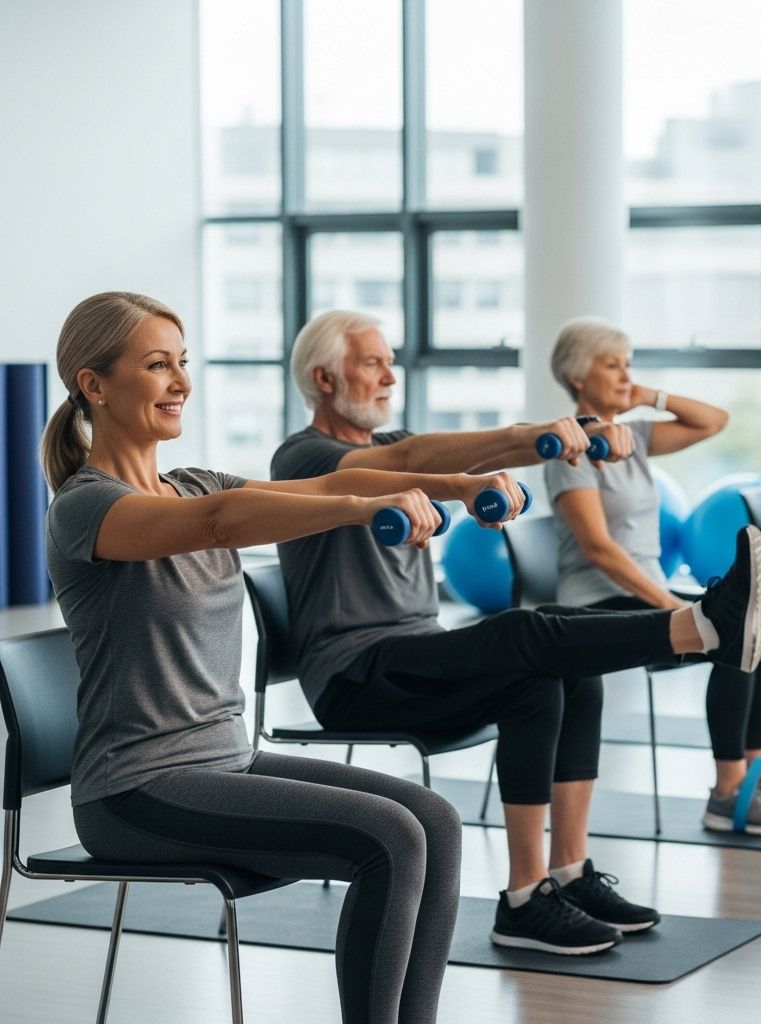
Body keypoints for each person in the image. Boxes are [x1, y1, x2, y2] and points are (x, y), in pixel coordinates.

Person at [42, 290, 550, 1024]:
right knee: (390, 838)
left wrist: (456, 488)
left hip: (223, 761)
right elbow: (216, 524)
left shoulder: (195, 481)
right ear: (94, 385)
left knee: (433, 819)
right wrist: (355, 513)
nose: (182, 381)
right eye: (158, 365)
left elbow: (336, 478)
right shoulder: (87, 506)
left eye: (183, 363)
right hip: (136, 789)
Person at [272, 309, 761, 955]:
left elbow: (439, 452)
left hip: (416, 652)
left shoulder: (391, 443)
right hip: (357, 673)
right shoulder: (303, 458)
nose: (389, 376)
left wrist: (555, 438)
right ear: (324, 377)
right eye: (372, 362)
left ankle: (548, 886)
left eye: (390, 361)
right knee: (523, 631)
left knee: (559, 669)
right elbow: (411, 460)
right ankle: (703, 628)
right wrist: (527, 438)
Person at [544, 316, 761, 836]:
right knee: (733, 632)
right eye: (611, 365)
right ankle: (726, 795)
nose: (624, 374)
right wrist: (675, 607)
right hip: (595, 604)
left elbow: (713, 420)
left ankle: (759, 776)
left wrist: (647, 394)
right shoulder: (570, 451)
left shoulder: (634, 438)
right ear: (577, 377)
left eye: (628, 363)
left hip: (648, 590)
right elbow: (599, 550)